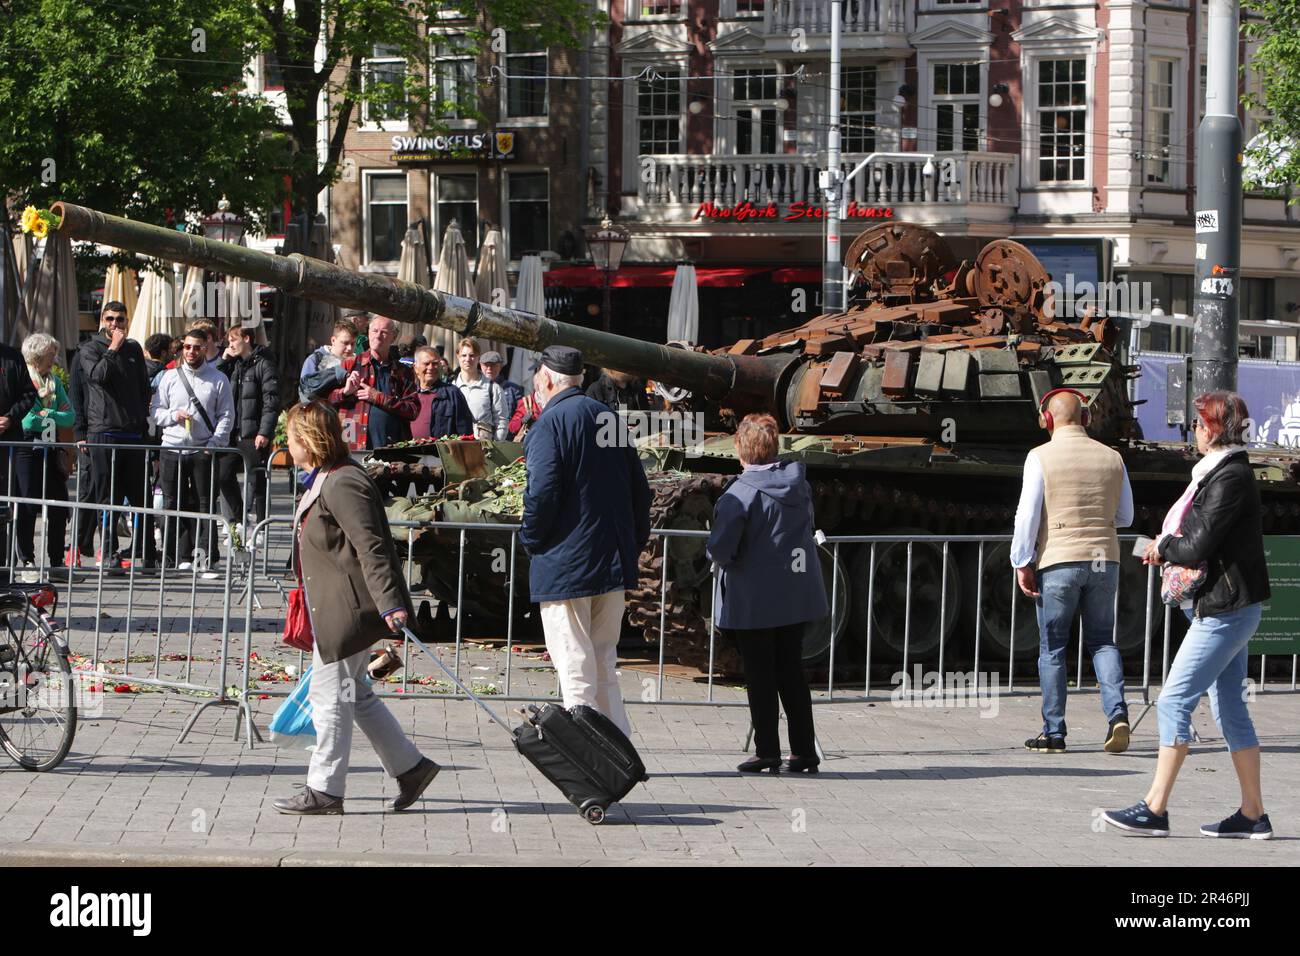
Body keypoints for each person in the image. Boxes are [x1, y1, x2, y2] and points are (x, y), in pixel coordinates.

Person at [1105, 392, 1274, 839]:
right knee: (1230, 704)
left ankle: (1155, 809)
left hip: (1225, 609)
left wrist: (1163, 548)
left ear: (1216, 429)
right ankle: (1253, 814)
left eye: (1200, 424)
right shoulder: (1221, 473)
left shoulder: (1229, 477)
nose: (1194, 430)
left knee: (1175, 699)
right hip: (1233, 605)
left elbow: (1199, 544)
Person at [273, 401, 440, 815]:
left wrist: (391, 605)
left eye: (291, 437)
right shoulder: (326, 477)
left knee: (329, 695)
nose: (287, 444)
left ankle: (325, 790)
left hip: (350, 610)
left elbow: (373, 547)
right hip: (336, 607)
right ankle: (411, 769)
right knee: (356, 693)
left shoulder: (344, 482)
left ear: (309, 442)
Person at [520, 346, 651, 736]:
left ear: (545, 380)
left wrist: (532, 538)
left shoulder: (550, 423)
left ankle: (592, 760)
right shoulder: (608, 418)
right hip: (610, 562)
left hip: (567, 565)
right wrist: (629, 546)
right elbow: (640, 494)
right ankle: (621, 752)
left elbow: (541, 495)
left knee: (575, 667)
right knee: (602, 662)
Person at [1012, 388, 1133, 754]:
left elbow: (1028, 516)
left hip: (1059, 559)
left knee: (1052, 648)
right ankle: (1117, 716)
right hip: (1104, 560)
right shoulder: (1112, 457)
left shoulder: (1040, 457)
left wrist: (1022, 562)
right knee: (1102, 641)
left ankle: (1055, 732)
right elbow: (1125, 516)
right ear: (1086, 418)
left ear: (1046, 420)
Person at [706, 413, 826, 774]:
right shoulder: (798, 485)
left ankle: (767, 751)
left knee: (760, 675)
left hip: (754, 598)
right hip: (795, 593)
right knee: (791, 670)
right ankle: (804, 751)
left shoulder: (739, 495)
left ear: (740, 449)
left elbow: (722, 549)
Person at [75, 300, 159, 568]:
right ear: (103, 319)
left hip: (132, 433)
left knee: (141, 497)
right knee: (107, 498)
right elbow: (98, 376)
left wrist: (140, 419)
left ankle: (147, 553)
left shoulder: (134, 348)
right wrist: (112, 348)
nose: (115, 324)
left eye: (120, 319)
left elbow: (144, 388)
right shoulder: (89, 348)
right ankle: (109, 553)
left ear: (126, 321)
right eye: (110, 319)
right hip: (104, 432)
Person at [150, 327, 234, 569]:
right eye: (187, 347)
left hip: (203, 448)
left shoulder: (218, 379)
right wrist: (173, 415)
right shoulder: (169, 377)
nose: (191, 352)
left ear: (206, 348)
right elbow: (156, 411)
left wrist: (214, 443)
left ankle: (207, 556)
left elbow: (227, 415)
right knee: (171, 502)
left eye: (197, 347)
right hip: (172, 447)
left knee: (205, 503)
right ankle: (174, 556)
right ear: (182, 348)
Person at [13, 334, 75, 582]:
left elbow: (69, 416)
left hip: (50, 447)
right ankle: (27, 561)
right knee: (27, 505)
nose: (55, 359)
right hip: (27, 449)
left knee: (59, 504)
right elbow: (27, 419)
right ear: (37, 356)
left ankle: (57, 562)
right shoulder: (23, 378)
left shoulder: (54, 381)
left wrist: (44, 413)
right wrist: (53, 413)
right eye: (51, 354)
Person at [310, 315, 418, 450]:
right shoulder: (348, 365)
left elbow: (413, 411)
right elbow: (321, 402)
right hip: (352, 447)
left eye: (384, 332)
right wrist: (344, 392)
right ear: (368, 333)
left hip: (392, 451)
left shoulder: (403, 372)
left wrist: (378, 397)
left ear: (394, 336)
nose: (378, 336)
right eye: (374, 331)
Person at [216, 325, 280, 531]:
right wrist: (224, 360)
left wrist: (264, 431)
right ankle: (240, 518)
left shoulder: (264, 364)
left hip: (253, 433)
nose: (230, 345)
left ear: (246, 338)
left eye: (233, 340)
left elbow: (271, 401)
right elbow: (215, 381)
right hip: (233, 431)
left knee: (257, 481)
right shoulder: (233, 365)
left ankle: (261, 526)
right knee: (223, 475)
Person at [411, 346, 473, 440]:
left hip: (441, 453)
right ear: (415, 368)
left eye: (435, 363)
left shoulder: (452, 393)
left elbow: (465, 432)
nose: (431, 367)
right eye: (426, 363)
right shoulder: (409, 394)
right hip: (409, 452)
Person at [454, 338, 510, 440]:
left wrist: (495, 447)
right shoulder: (452, 387)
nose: (467, 359)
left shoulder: (493, 388)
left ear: (478, 357)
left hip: (484, 448)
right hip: (457, 447)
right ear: (458, 356)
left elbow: (502, 421)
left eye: (472, 355)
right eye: (464, 355)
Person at [298, 318, 356, 403]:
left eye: (353, 343)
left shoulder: (359, 362)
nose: (350, 348)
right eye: (345, 343)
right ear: (333, 340)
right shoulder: (315, 360)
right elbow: (306, 392)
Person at [480, 351, 523, 421]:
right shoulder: (474, 387)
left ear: (500, 366)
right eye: (486, 365)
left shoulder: (513, 389)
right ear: (481, 366)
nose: (489, 368)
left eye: (493, 365)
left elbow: (520, 414)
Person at [508, 366, 544, 441]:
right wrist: (522, 421)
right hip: (531, 444)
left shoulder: (557, 401)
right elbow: (511, 427)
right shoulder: (528, 402)